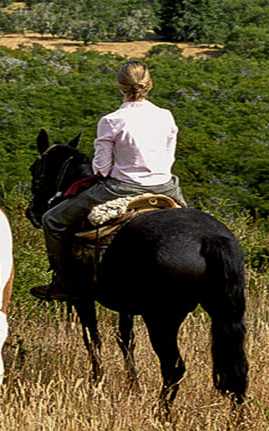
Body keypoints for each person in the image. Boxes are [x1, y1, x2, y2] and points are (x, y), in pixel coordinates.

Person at [31, 60, 186, 301]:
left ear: (120, 86)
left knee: (52, 220)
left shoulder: (111, 120)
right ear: (149, 84)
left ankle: (63, 282)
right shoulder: (166, 116)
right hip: (167, 186)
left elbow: (101, 169)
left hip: (121, 188)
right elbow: (170, 157)